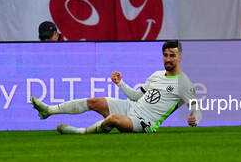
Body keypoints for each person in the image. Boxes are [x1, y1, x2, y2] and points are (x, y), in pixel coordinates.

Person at [31, 40, 201, 134]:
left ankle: (80, 132)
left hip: (143, 123)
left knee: (113, 119)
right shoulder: (156, 75)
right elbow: (135, 97)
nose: (168, 59)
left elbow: (196, 109)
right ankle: (49, 110)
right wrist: (120, 83)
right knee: (95, 101)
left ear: (180, 57)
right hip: (131, 107)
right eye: (165, 55)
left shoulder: (184, 83)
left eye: (172, 55)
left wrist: (194, 118)